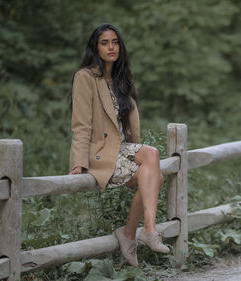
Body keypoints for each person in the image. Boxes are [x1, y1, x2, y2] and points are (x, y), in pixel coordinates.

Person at [69, 23, 169, 267]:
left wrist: (137, 157)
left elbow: (127, 127)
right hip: (101, 153)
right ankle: (147, 231)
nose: (111, 47)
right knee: (152, 161)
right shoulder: (85, 77)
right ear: (96, 47)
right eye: (105, 42)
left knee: (155, 177)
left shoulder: (121, 78)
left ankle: (129, 235)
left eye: (115, 42)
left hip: (124, 151)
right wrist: (78, 163)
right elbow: (81, 125)